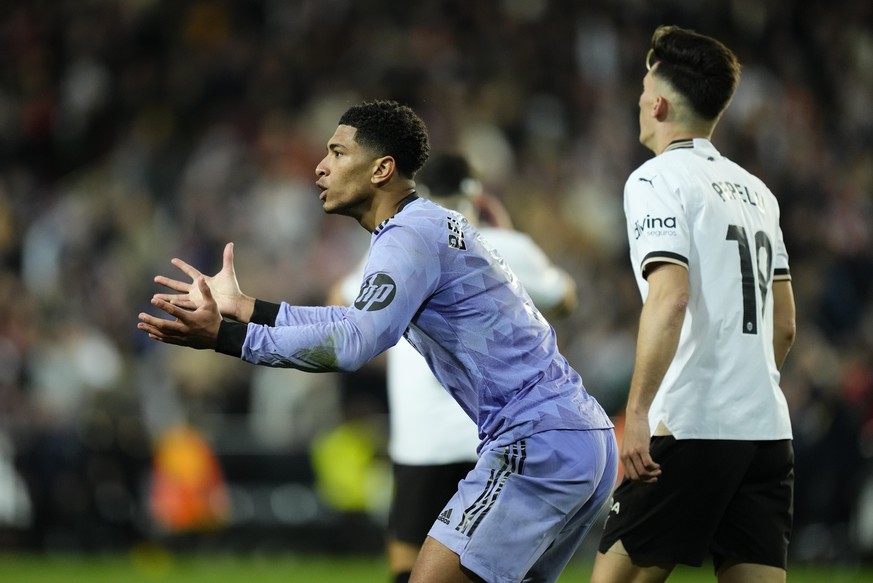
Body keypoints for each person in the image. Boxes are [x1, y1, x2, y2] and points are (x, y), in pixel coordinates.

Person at [138, 99, 617, 583]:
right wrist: (248, 309)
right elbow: (354, 319)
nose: (321, 166)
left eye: (338, 153)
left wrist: (227, 337)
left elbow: (351, 345)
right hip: (577, 435)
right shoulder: (423, 226)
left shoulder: (408, 236)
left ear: (382, 169)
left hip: (535, 441)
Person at [590, 26, 797, 583]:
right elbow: (784, 326)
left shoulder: (656, 180)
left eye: (642, 89)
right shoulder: (759, 192)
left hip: (693, 424)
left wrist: (636, 414)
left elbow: (670, 295)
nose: (637, 100)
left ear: (658, 103)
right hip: (766, 430)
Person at [330, 152, 579, 583]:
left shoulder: (402, 242)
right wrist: (511, 238)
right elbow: (565, 298)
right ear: (476, 196)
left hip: (421, 438)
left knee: (408, 566)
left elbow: (341, 298)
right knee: (495, 568)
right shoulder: (508, 248)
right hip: (496, 434)